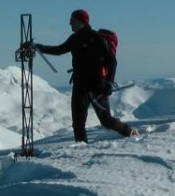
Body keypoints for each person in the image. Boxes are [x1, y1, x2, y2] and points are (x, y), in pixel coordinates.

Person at [35, 9, 138, 143]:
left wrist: (109, 83)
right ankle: (81, 151)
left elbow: (112, 61)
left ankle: (128, 131)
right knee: (78, 123)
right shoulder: (74, 39)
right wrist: (37, 47)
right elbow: (58, 50)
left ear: (80, 22)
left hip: (97, 87)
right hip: (80, 86)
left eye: (72, 21)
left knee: (106, 120)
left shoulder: (96, 38)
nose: (69, 24)